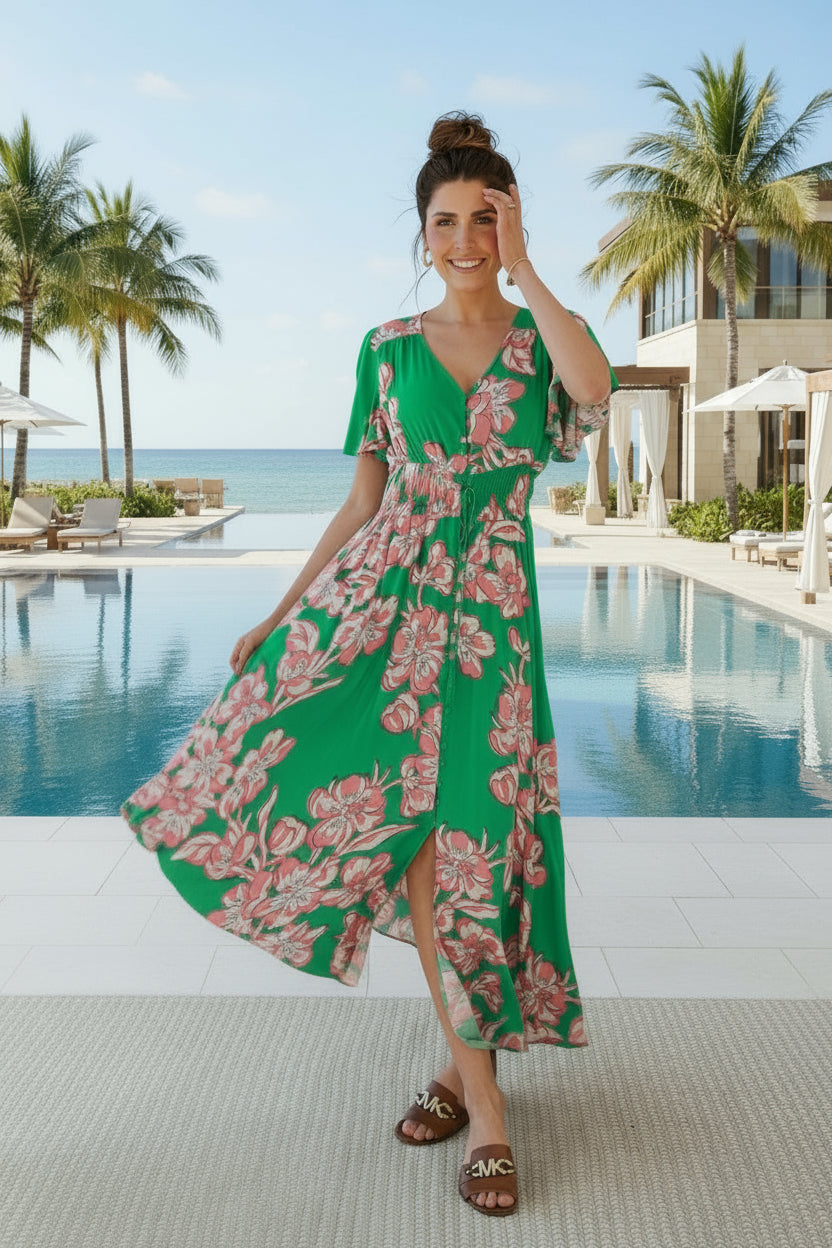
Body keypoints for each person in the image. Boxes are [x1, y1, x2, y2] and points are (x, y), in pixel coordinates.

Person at [120, 109, 616, 1219]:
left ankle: (455, 1071)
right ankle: (485, 1109)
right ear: (421, 232)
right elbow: (363, 500)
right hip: (381, 620)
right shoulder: (386, 348)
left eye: (485, 219)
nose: (464, 239)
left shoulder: (542, 340)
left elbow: (593, 392)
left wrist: (532, 269)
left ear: (510, 222)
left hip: (489, 629)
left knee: (481, 849)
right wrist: (284, 608)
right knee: (430, 857)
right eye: (445, 221)